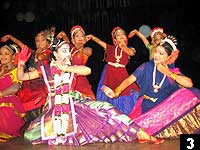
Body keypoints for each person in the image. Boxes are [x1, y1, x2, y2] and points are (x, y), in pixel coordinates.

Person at [17, 39, 164, 145]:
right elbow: (21, 77)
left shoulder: (72, 67)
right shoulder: (45, 70)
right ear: (54, 54)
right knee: (30, 136)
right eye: (63, 51)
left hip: (73, 105)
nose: (68, 53)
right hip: (53, 110)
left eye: (68, 50)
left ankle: (141, 134)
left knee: (107, 109)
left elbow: (87, 70)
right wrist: (21, 63)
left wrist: (65, 68)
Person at [104, 35, 200, 138]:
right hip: (147, 109)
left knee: (194, 92)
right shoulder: (146, 66)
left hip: (165, 111)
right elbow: (129, 80)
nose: (156, 56)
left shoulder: (173, 73)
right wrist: (117, 92)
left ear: (169, 57)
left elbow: (189, 84)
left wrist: (167, 72)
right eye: (156, 52)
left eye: (161, 53)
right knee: (128, 132)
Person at [0, 27, 54, 123]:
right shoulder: (33, 53)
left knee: (38, 106)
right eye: (37, 41)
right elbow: (22, 46)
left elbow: (42, 56)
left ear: (48, 42)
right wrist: (11, 37)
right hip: (28, 82)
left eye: (42, 40)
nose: (39, 43)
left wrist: (40, 54)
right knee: (22, 104)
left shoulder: (48, 52)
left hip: (40, 84)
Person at [87, 26, 140, 109]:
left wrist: (123, 46)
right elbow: (100, 42)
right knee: (108, 92)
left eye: (123, 34)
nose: (121, 35)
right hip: (109, 72)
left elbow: (131, 53)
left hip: (121, 73)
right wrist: (93, 37)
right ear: (115, 39)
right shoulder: (110, 48)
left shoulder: (130, 48)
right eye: (118, 35)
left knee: (124, 92)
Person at [0, 44, 25, 142]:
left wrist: (0, 94)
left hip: (8, 101)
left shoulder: (16, 70)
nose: (3, 56)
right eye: (1, 53)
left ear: (13, 56)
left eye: (6, 53)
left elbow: (16, 87)